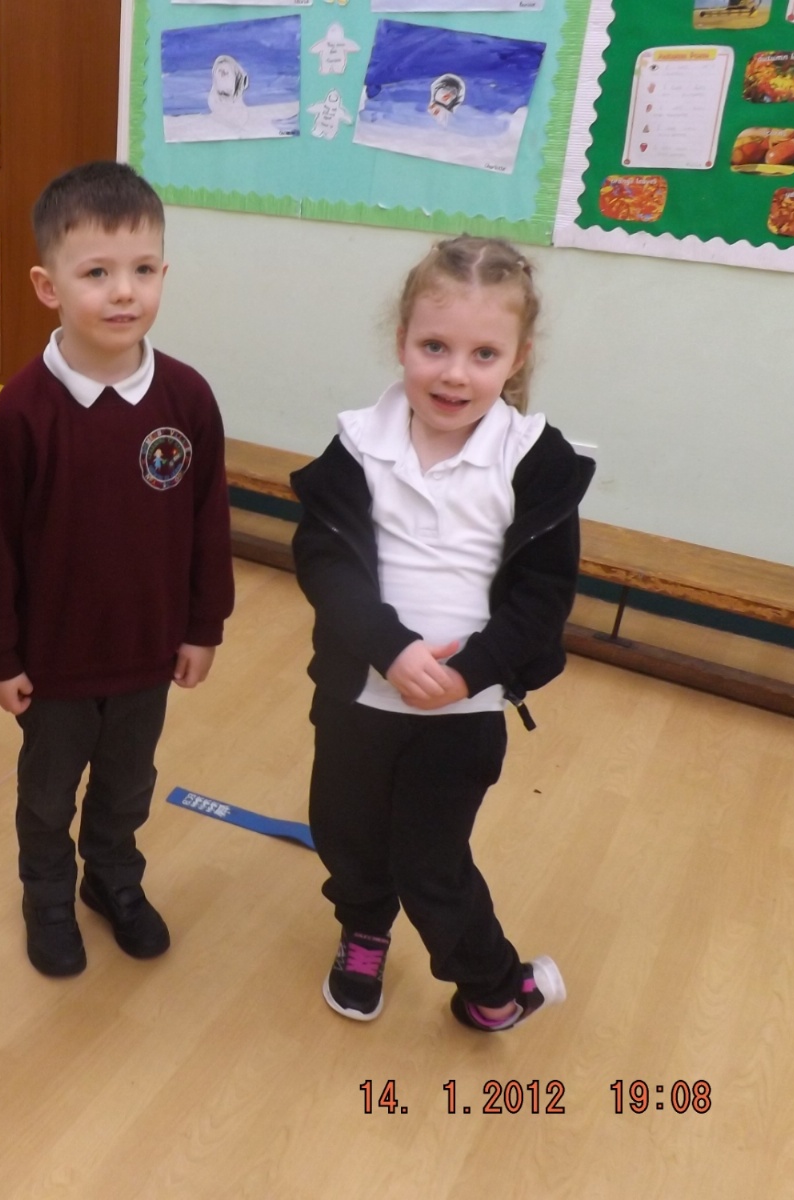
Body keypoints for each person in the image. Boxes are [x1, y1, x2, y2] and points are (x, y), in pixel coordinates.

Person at [290, 236, 594, 1032]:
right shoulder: (359, 443)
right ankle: (363, 932)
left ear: (517, 359)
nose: (454, 373)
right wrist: (389, 648)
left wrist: (470, 672)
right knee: (347, 836)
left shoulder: (534, 460)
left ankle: (495, 984)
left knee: (431, 863)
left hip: (462, 716)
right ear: (402, 342)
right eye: (434, 347)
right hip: (357, 699)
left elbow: (543, 597)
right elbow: (324, 560)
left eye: (482, 354)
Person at [0, 161, 235, 978]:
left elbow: (207, 523)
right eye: (97, 274)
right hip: (54, 666)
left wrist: (203, 627)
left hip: (148, 654)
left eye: (143, 270)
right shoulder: (20, 414)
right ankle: (47, 896)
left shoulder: (187, 400)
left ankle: (112, 877)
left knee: (127, 786)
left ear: (163, 274)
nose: (124, 292)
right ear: (47, 286)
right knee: (48, 797)